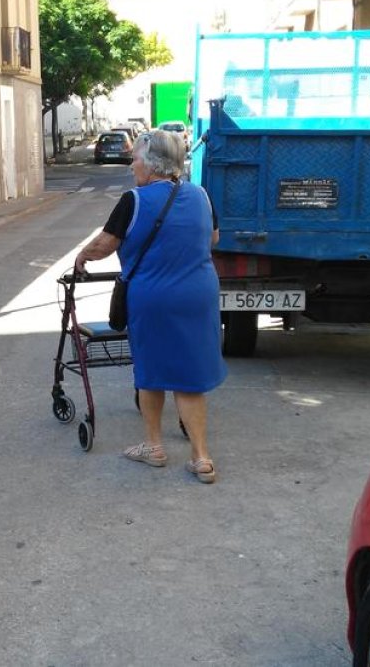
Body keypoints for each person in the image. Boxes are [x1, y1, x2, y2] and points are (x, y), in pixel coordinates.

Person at [73, 130, 227, 483]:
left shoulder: (134, 200)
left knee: (151, 370)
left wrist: (83, 256)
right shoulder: (201, 195)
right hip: (199, 295)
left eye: (136, 159)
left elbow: (106, 244)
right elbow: (213, 238)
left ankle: (154, 447)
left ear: (153, 163)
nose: (131, 166)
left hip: (154, 296)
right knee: (190, 376)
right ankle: (201, 457)